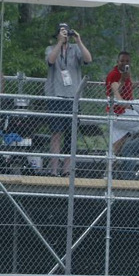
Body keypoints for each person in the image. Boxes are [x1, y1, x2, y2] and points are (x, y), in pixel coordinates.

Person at [45, 22, 92, 177]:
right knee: (56, 133)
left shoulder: (75, 49)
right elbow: (51, 61)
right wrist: (60, 42)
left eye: (66, 32)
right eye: (61, 32)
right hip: (55, 96)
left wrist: (78, 40)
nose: (64, 35)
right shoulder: (51, 49)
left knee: (71, 135)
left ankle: (67, 169)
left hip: (73, 97)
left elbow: (88, 59)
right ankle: (53, 170)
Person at [105, 51, 133, 156]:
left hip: (126, 111)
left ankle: (110, 170)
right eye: (122, 61)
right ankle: (138, 148)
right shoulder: (114, 75)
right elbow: (113, 92)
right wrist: (122, 79)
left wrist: (138, 84)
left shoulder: (125, 74)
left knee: (116, 148)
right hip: (118, 112)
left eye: (127, 61)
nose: (124, 63)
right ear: (117, 61)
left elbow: (127, 88)